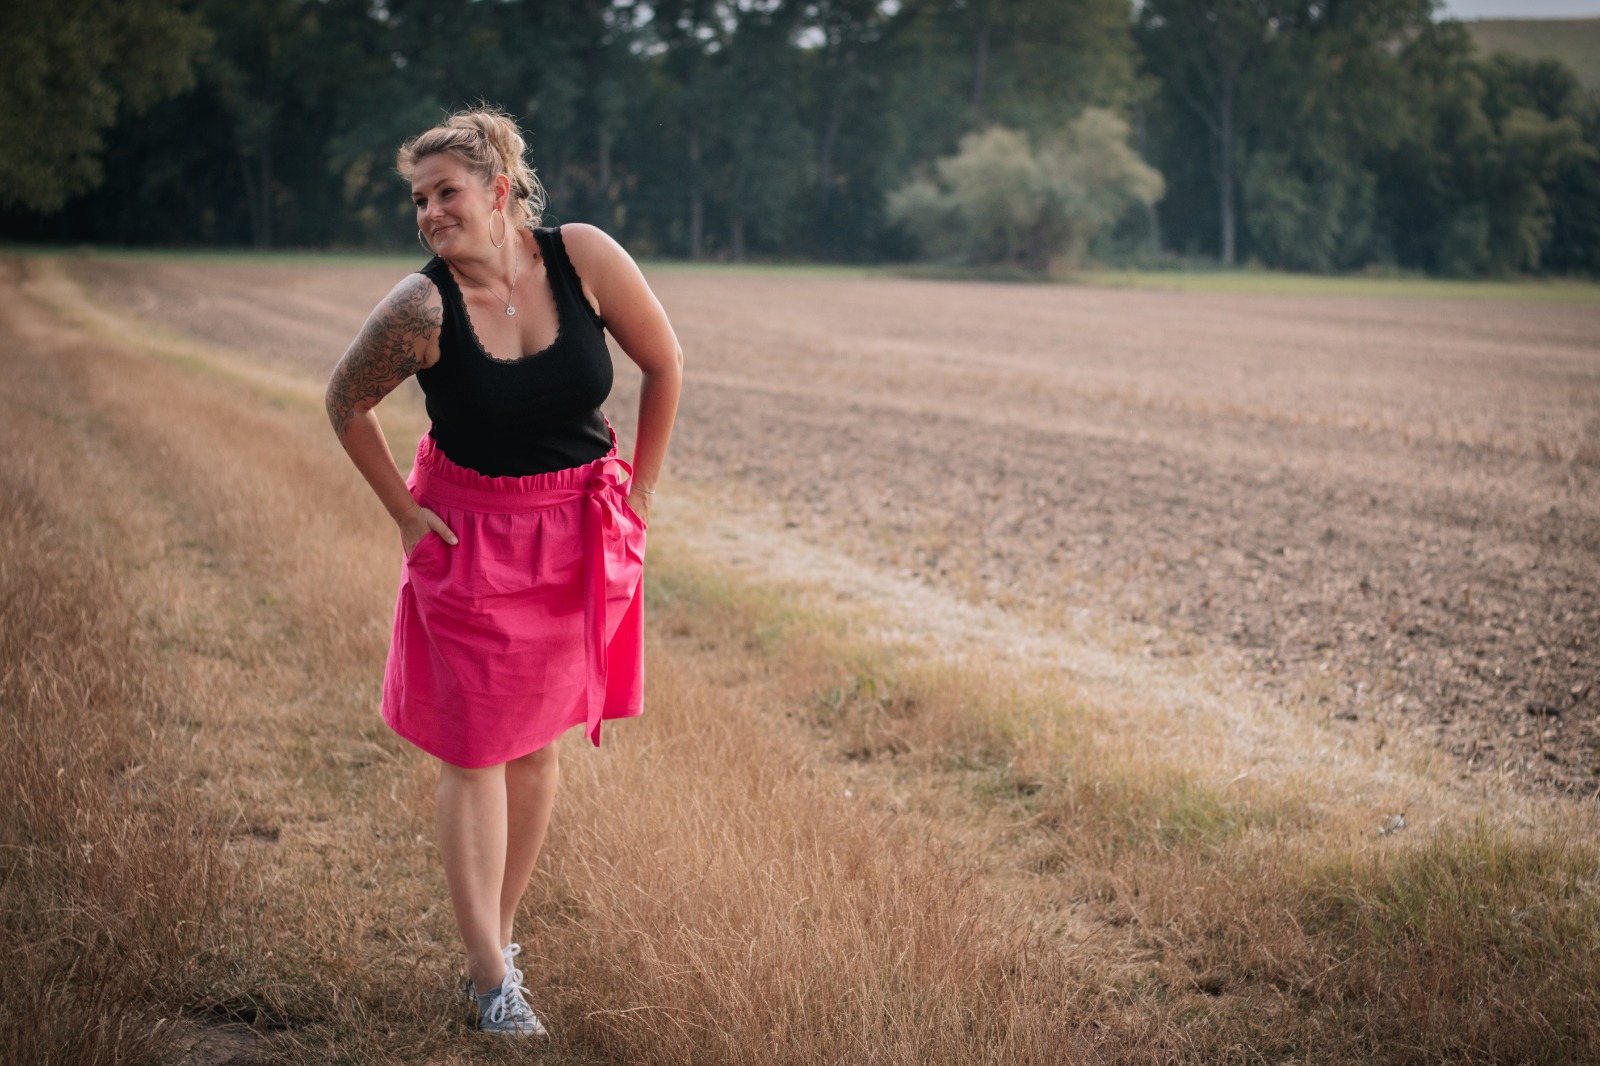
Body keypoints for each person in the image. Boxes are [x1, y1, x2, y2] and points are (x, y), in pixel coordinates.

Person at [324, 107, 682, 1038]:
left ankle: (496, 943)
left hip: (575, 534)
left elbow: (664, 360)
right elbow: (344, 402)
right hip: (472, 538)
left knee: (536, 746)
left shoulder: (583, 256)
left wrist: (638, 492)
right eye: (418, 199)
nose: (430, 212)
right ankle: (491, 981)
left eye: (446, 192)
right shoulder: (420, 307)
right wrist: (406, 518)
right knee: (476, 749)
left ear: (498, 191)